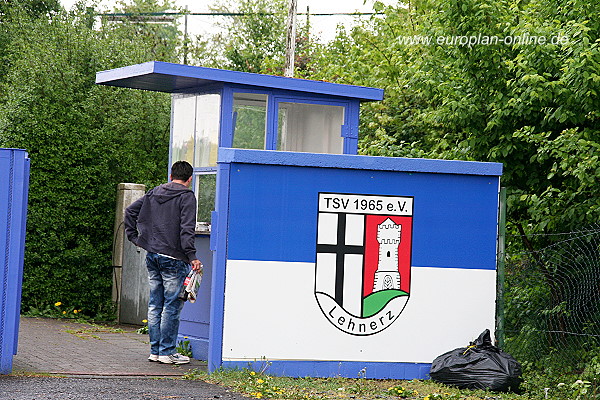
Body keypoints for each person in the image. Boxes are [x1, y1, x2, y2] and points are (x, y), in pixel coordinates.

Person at [124, 161, 202, 365]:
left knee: (154, 304)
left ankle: (156, 351)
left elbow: (130, 212)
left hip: (153, 255)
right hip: (174, 258)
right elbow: (187, 229)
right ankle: (167, 352)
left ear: (170, 176)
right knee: (171, 306)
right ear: (189, 179)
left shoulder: (153, 193)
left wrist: (134, 237)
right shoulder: (187, 197)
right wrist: (192, 256)